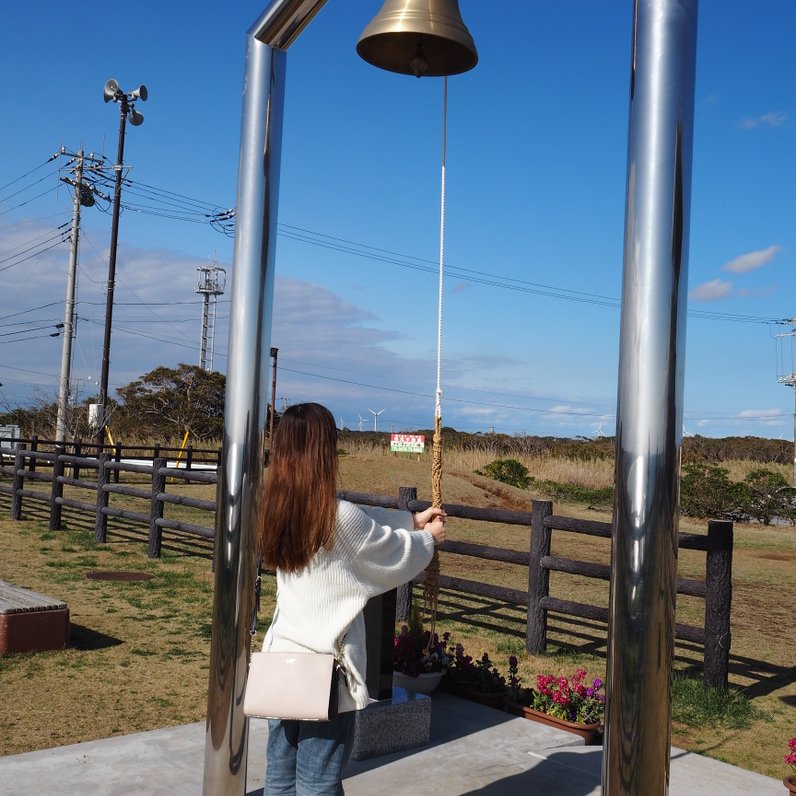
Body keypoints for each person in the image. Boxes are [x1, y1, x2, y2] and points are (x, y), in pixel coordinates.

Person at [258, 402, 446, 795]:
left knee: (278, 777)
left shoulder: (277, 508)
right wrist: (428, 539)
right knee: (318, 781)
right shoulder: (336, 518)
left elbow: (367, 526)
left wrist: (412, 521)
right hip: (325, 672)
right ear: (320, 451)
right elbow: (388, 550)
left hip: (278, 665)